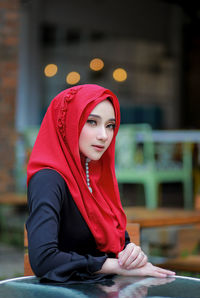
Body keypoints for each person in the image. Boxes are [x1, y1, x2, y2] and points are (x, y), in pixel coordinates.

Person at [26, 84, 175, 283]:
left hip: (103, 289)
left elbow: (116, 242)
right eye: (92, 122)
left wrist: (130, 253)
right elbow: (43, 260)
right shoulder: (48, 179)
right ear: (69, 123)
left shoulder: (96, 176)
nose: (104, 136)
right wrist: (114, 265)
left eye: (110, 125)